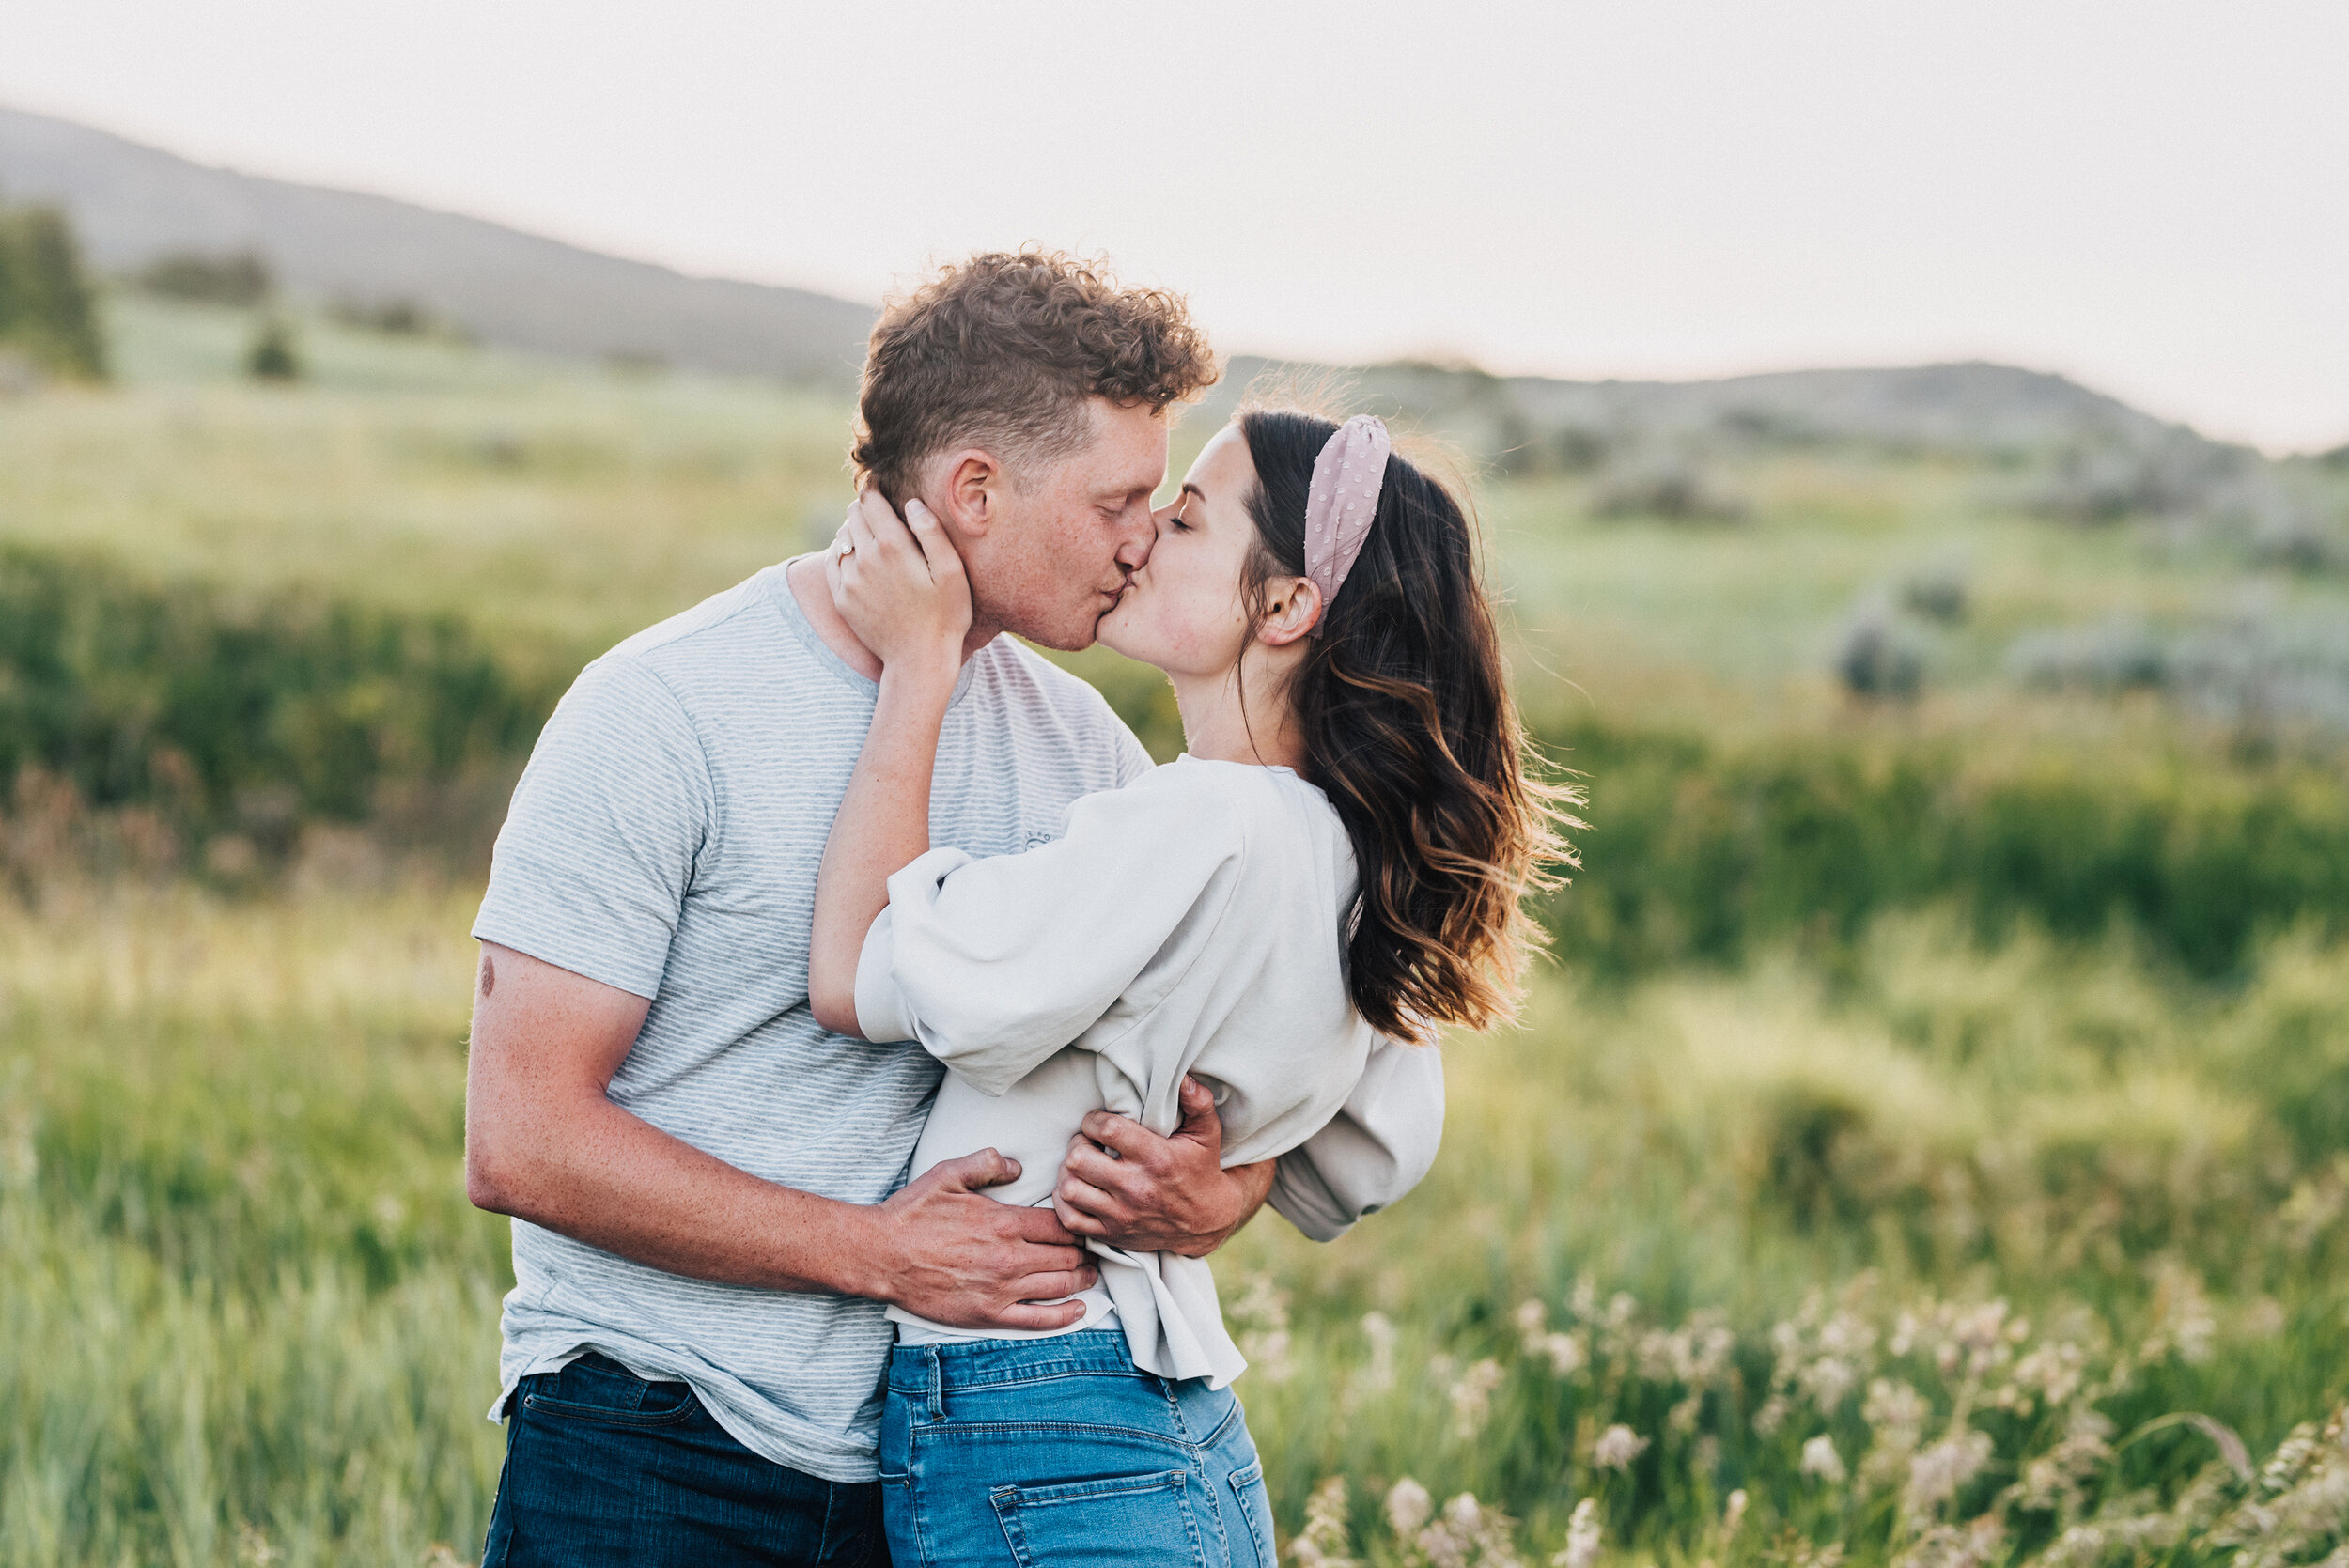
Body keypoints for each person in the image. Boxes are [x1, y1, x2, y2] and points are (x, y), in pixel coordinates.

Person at [461, 252, 1448, 1567]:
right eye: (1119, 501)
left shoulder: (1088, 752)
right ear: (975, 490)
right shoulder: (662, 712)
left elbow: (1232, 1028)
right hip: (653, 1448)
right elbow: (521, 1138)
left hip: (940, 1472)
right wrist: (875, 1253)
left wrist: (1221, 1185)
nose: (1142, 539)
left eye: (1162, 506)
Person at [806, 402, 1575, 1566]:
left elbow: (859, 973)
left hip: (1042, 1408)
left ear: (1282, 607)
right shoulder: (1349, 851)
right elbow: (1371, 1156)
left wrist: (918, 666)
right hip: (1177, 1424)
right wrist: (1235, 1171)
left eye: (1188, 517)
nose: (1144, 534)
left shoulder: (1198, 819)